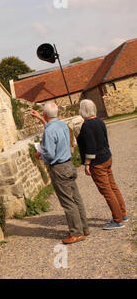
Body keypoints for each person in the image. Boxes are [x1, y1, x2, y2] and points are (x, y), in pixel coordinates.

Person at [31, 103, 89, 244]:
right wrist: (41, 119)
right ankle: (84, 227)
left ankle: (76, 233)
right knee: (76, 198)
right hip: (68, 164)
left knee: (68, 202)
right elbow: (52, 128)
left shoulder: (49, 131)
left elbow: (50, 154)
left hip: (58, 168)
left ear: (45, 114)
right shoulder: (62, 125)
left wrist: (40, 154)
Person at [76, 99, 128, 230]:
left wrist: (87, 164)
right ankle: (122, 213)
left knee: (107, 191)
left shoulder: (87, 125)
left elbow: (91, 147)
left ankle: (117, 220)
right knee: (113, 187)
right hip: (106, 156)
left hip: (98, 161)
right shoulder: (100, 121)